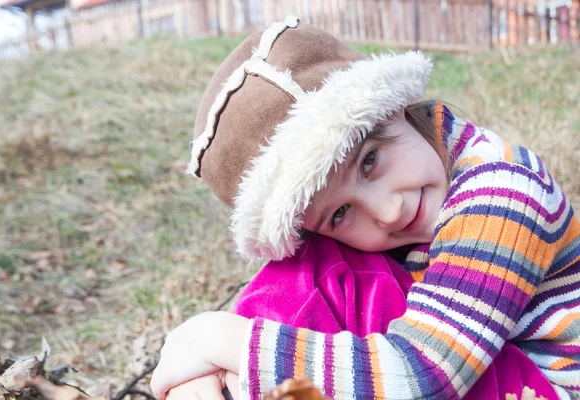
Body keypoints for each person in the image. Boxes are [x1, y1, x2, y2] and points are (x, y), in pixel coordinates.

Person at [151, 16, 580, 400]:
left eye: (370, 161)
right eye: (339, 214)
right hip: (474, 360)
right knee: (310, 267)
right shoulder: (405, 204)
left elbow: (423, 377)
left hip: (548, 385)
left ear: (395, 107)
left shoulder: (503, 188)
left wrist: (222, 340)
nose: (388, 212)